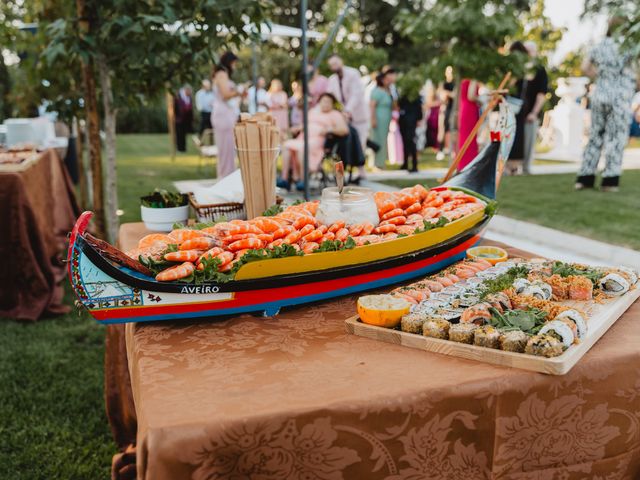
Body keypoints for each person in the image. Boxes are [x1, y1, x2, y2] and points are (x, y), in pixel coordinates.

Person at [576, 18, 636, 191]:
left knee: (595, 136)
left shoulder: (599, 44)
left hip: (600, 94)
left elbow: (585, 66)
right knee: (616, 138)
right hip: (620, 96)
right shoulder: (628, 46)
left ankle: (584, 178)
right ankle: (610, 180)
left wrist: (601, 76)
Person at [278, 92, 349, 191]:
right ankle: (284, 178)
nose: (326, 104)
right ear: (319, 102)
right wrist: (297, 128)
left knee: (303, 148)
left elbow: (344, 130)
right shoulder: (313, 112)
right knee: (286, 145)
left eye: (328, 102)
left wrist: (329, 129)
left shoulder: (335, 114)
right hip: (303, 138)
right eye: (323, 101)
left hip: (319, 141)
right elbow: (305, 125)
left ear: (332, 104)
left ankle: (303, 180)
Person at [508, 41, 548, 175]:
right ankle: (512, 166)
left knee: (529, 142)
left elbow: (541, 94)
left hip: (530, 111)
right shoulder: (518, 69)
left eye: (530, 51)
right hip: (517, 111)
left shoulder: (540, 70)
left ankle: (526, 168)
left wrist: (534, 112)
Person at [326, 54, 369, 155]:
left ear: (341, 61)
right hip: (344, 118)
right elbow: (330, 96)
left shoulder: (353, 73)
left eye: (335, 63)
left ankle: (361, 169)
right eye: (331, 65)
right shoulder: (332, 79)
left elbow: (356, 94)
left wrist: (348, 110)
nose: (334, 66)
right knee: (347, 144)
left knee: (360, 143)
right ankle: (347, 167)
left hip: (358, 115)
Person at [212, 52, 244, 179]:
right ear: (229, 62)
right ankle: (225, 180)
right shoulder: (222, 74)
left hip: (227, 114)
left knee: (229, 151)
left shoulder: (222, 74)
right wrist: (239, 91)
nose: (235, 66)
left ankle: (227, 179)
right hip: (223, 116)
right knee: (226, 152)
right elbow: (225, 94)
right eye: (234, 63)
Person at [369, 69, 396, 169]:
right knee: (377, 140)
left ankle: (381, 162)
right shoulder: (376, 91)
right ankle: (376, 164)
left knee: (383, 140)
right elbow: (372, 106)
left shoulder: (387, 91)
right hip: (378, 118)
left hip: (386, 118)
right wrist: (373, 119)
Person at [398, 75, 424, 172]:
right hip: (406, 120)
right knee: (406, 141)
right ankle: (406, 162)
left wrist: (418, 119)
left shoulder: (415, 96)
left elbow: (418, 110)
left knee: (410, 141)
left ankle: (414, 164)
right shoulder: (406, 95)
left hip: (409, 121)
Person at [456, 78, 481, 171]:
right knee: (470, 138)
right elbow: (471, 96)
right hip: (470, 109)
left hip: (464, 108)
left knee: (465, 137)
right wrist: (481, 100)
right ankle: (468, 163)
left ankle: (463, 164)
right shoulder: (473, 78)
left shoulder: (463, 78)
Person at [436, 66, 455, 161]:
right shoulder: (443, 84)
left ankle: (451, 149)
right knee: (443, 129)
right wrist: (448, 94)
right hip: (446, 109)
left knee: (452, 130)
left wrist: (449, 94)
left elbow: (455, 95)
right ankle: (441, 149)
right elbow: (443, 97)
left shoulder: (456, 83)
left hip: (454, 108)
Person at [174, 85, 193, 152]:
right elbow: (175, 107)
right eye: (189, 91)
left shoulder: (189, 97)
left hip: (186, 119)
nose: (190, 93)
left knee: (184, 134)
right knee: (179, 134)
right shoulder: (178, 96)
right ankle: (179, 148)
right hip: (179, 119)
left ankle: (183, 148)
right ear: (186, 90)